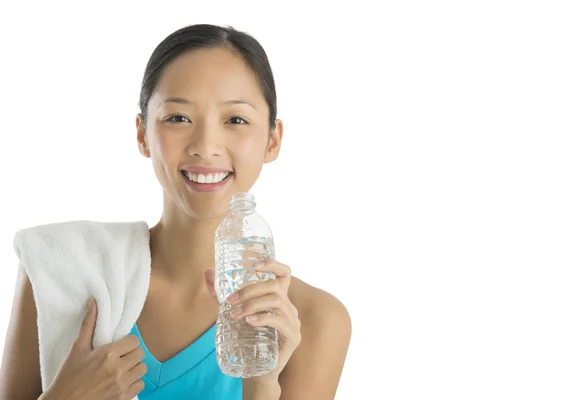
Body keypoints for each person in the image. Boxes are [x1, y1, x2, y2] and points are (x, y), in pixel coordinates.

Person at [0, 24, 351, 399]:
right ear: (142, 134)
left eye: (235, 120)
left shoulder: (313, 321)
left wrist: (262, 382)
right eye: (178, 118)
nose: (205, 146)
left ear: (273, 139)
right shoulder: (60, 268)